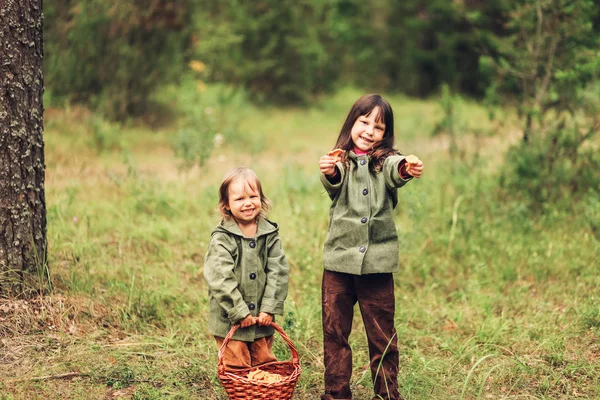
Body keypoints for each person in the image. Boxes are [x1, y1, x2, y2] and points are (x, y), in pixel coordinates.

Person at [318, 94, 424, 400]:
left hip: (377, 265)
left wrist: (407, 165)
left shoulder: (385, 162)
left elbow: (396, 169)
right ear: (352, 123)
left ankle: (387, 394)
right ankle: (336, 392)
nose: (369, 130)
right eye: (363, 122)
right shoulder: (339, 161)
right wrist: (329, 170)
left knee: (382, 336)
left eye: (378, 126)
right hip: (338, 264)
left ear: (385, 134)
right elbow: (333, 181)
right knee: (335, 332)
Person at [203, 167, 290, 369]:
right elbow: (220, 278)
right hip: (230, 320)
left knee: (265, 364)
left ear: (262, 198)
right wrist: (238, 311)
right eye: (239, 199)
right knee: (237, 365)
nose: (248, 203)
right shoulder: (222, 238)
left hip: (261, 318)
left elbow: (278, 271)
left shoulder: (270, 233)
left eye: (253, 196)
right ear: (226, 205)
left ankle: (263, 392)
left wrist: (269, 307)